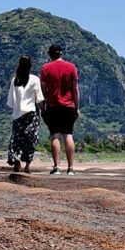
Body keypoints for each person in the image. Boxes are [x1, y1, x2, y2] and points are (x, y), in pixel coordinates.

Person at [40, 44, 79, 175]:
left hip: (53, 106)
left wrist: (43, 105)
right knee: (68, 135)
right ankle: (71, 168)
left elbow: (43, 90)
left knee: (55, 135)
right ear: (61, 54)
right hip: (69, 106)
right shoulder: (71, 67)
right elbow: (75, 89)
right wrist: (77, 107)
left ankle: (56, 167)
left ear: (50, 54)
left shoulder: (45, 68)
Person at [7, 55, 44, 173]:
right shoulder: (34, 79)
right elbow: (39, 99)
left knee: (16, 139)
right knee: (30, 139)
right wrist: (44, 111)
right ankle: (27, 166)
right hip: (31, 114)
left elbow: (11, 101)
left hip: (18, 114)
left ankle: (16, 158)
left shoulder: (15, 80)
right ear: (30, 66)